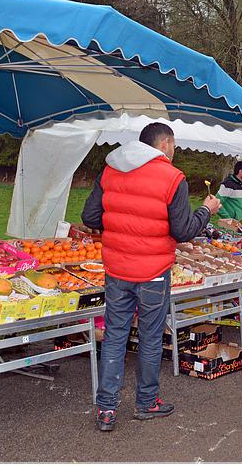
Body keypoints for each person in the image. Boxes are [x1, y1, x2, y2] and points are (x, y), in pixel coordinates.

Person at [81, 123, 222, 432]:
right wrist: (206, 210)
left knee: (116, 336)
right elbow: (184, 230)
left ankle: (106, 408)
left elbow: (90, 217)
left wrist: (120, 229)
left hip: (117, 269)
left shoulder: (110, 170)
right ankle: (146, 402)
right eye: (174, 145)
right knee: (149, 337)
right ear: (166, 143)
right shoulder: (172, 178)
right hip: (154, 273)